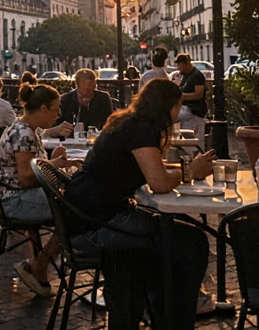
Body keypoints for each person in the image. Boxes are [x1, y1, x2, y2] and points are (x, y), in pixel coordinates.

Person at [65, 79, 216, 329]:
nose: (178, 113)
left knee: (174, 233)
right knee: (192, 241)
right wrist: (190, 171)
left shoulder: (128, 121)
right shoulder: (141, 129)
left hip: (86, 215)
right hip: (99, 223)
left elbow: (154, 167)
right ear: (167, 106)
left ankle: (162, 310)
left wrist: (185, 168)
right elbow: (159, 182)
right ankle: (173, 317)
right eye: (177, 107)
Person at [0, 83, 83, 297]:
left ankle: (40, 265)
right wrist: (55, 167)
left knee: (72, 204)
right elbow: (26, 177)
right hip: (15, 200)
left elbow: (30, 168)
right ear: (43, 108)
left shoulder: (22, 127)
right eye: (55, 109)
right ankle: (40, 263)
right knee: (74, 213)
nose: (57, 115)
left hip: (12, 196)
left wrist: (53, 162)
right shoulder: (25, 134)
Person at [172, 54, 207, 136]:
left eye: (179, 64)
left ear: (186, 63)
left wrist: (182, 96)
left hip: (193, 110)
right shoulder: (185, 75)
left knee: (170, 117)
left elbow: (199, 94)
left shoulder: (197, 76)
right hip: (186, 109)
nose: (178, 67)